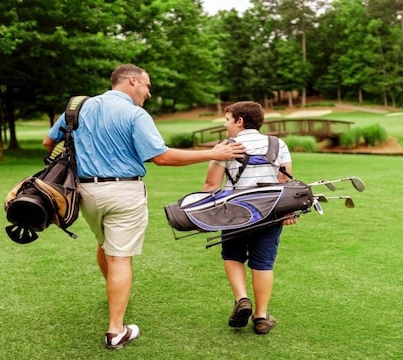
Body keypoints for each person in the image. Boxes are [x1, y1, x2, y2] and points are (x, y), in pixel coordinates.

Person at [43, 64, 245, 350]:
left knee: (105, 245)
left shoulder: (78, 108)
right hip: (124, 191)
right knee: (120, 258)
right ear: (133, 81)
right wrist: (214, 153)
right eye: (148, 86)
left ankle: (116, 292)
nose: (149, 93)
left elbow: (48, 141)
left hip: (83, 192)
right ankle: (116, 331)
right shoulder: (136, 114)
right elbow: (161, 157)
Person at [202, 101, 295, 335]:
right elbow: (285, 182)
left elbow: (211, 185)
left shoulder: (225, 146)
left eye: (227, 119)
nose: (225, 125)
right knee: (263, 262)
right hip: (270, 211)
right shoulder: (277, 143)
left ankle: (242, 298)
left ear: (239, 121)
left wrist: (203, 215)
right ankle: (261, 316)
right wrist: (287, 212)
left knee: (232, 255)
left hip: (234, 212)